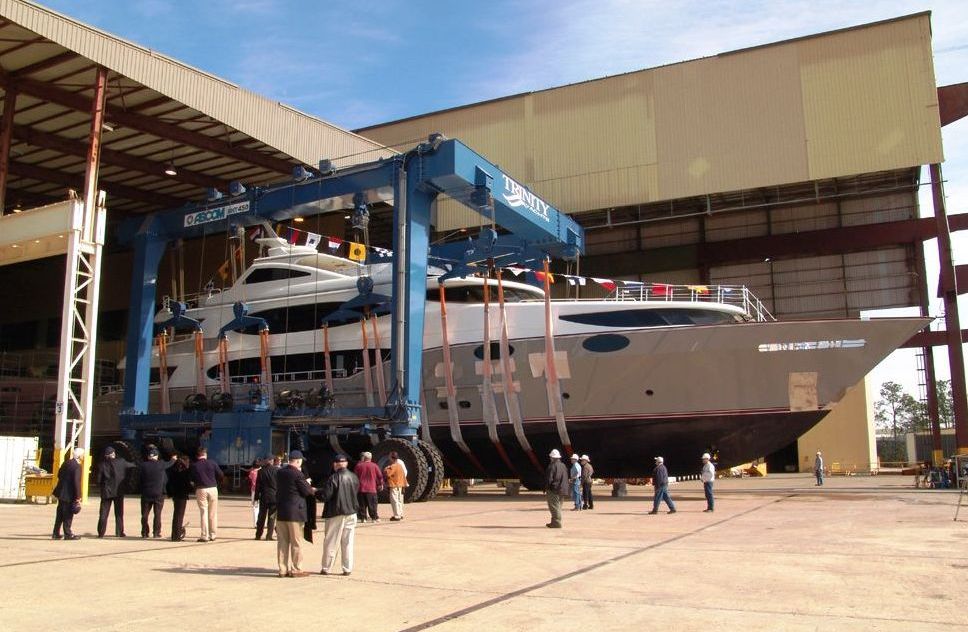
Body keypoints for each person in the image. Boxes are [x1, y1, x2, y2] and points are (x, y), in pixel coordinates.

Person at [275, 450, 315, 578]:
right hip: (295, 513)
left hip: (281, 512)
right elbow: (307, 491)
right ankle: (296, 569)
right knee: (296, 542)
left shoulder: (280, 472)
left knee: (282, 542)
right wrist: (308, 484)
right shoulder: (298, 474)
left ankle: (282, 569)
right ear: (298, 461)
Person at [318, 454, 360, 576]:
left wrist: (316, 492)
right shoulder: (354, 477)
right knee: (348, 542)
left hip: (335, 513)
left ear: (335, 465)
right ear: (346, 464)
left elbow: (326, 496)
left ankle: (326, 568)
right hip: (351, 512)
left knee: (331, 542)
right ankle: (347, 568)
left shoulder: (333, 478)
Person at [96, 446, 135, 538]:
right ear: (114, 454)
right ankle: (119, 532)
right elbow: (132, 465)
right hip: (118, 492)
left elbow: (98, 480)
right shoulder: (121, 462)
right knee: (119, 513)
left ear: (106, 455)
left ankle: (101, 533)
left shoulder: (102, 465)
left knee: (103, 513)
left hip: (106, 492)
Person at [139, 446, 176, 538]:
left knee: (144, 515)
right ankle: (156, 532)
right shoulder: (161, 464)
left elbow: (140, 479)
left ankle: (144, 532)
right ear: (157, 456)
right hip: (158, 494)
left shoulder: (143, 465)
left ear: (148, 456)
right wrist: (173, 459)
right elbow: (170, 463)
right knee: (157, 514)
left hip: (146, 493)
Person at [189, 447, 224, 542]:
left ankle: (204, 535)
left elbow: (191, 480)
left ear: (197, 455)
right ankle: (213, 534)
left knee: (203, 512)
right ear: (205, 454)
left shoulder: (194, 465)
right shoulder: (212, 463)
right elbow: (221, 474)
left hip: (201, 489)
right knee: (213, 513)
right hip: (213, 488)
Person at [52, 448, 85, 540]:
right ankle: (68, 534)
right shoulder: (77, 466)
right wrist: (78, 496)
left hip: (61, 492)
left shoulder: (66, 463)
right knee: (68, 514)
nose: (83, 456)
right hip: (69, 494)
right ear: (79, 456)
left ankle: (55, 533)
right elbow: (76, 482)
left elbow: (59, 475)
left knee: (60, 513)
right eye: (83, 455)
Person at [166, 454, 192, 541]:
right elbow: (187, 484)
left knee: (176, 514)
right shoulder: (185, 472)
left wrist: (170, 494)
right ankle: (176, 535)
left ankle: (175, 534)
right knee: (179, 515)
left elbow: (168, 484)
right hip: (182, 495)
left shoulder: (173, 471)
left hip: (175, 495)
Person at [255, 456, 281, 540]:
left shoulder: (260, 471)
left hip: (264, 496)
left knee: (261, 516)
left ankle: (258, 535)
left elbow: (257, 486)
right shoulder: (277, 471)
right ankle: (269, 536)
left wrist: (256, 497)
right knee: (272, 517)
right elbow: (280, 485)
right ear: (272, 461)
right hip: (274, 497)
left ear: (266, 461)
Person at [354, 451, 383, 523]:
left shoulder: (358, 466)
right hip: (371, 489)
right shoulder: (375, 466)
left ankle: (363, 518)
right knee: (372, 504)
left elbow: (355, 477)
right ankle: (374, 518)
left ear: (364, 458)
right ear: (370, 458)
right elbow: (380, 476)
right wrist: (380, 484)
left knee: (362, 505)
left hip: (361, 488)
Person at [544, 448, 569, 528]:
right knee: (558, 506)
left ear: (552, 457)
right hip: (562, 489)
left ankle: (556, 522)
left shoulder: (552, 466)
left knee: (554, 506)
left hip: (554, 489)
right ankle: (554, 521)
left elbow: (549, 479)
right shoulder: (563, 465)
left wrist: (546, 488)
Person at [384, 451, 408, 521]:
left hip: (394, 485)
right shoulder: (400, 465)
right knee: (399, 500)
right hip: (400, 485)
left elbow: (387, 474)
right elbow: (403, 475)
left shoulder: (393, 466)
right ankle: (400, 514)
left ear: (391, 458)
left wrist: (386, 468)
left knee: (394, 500)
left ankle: (397, 516)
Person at [247, 458, 261, 528]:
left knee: (255, 508)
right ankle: (261, 523)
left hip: (254, 491)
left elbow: (250, 479)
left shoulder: (252, 472)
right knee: (262, 508)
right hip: (261, 491)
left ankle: (255, 523)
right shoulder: (262, 471)